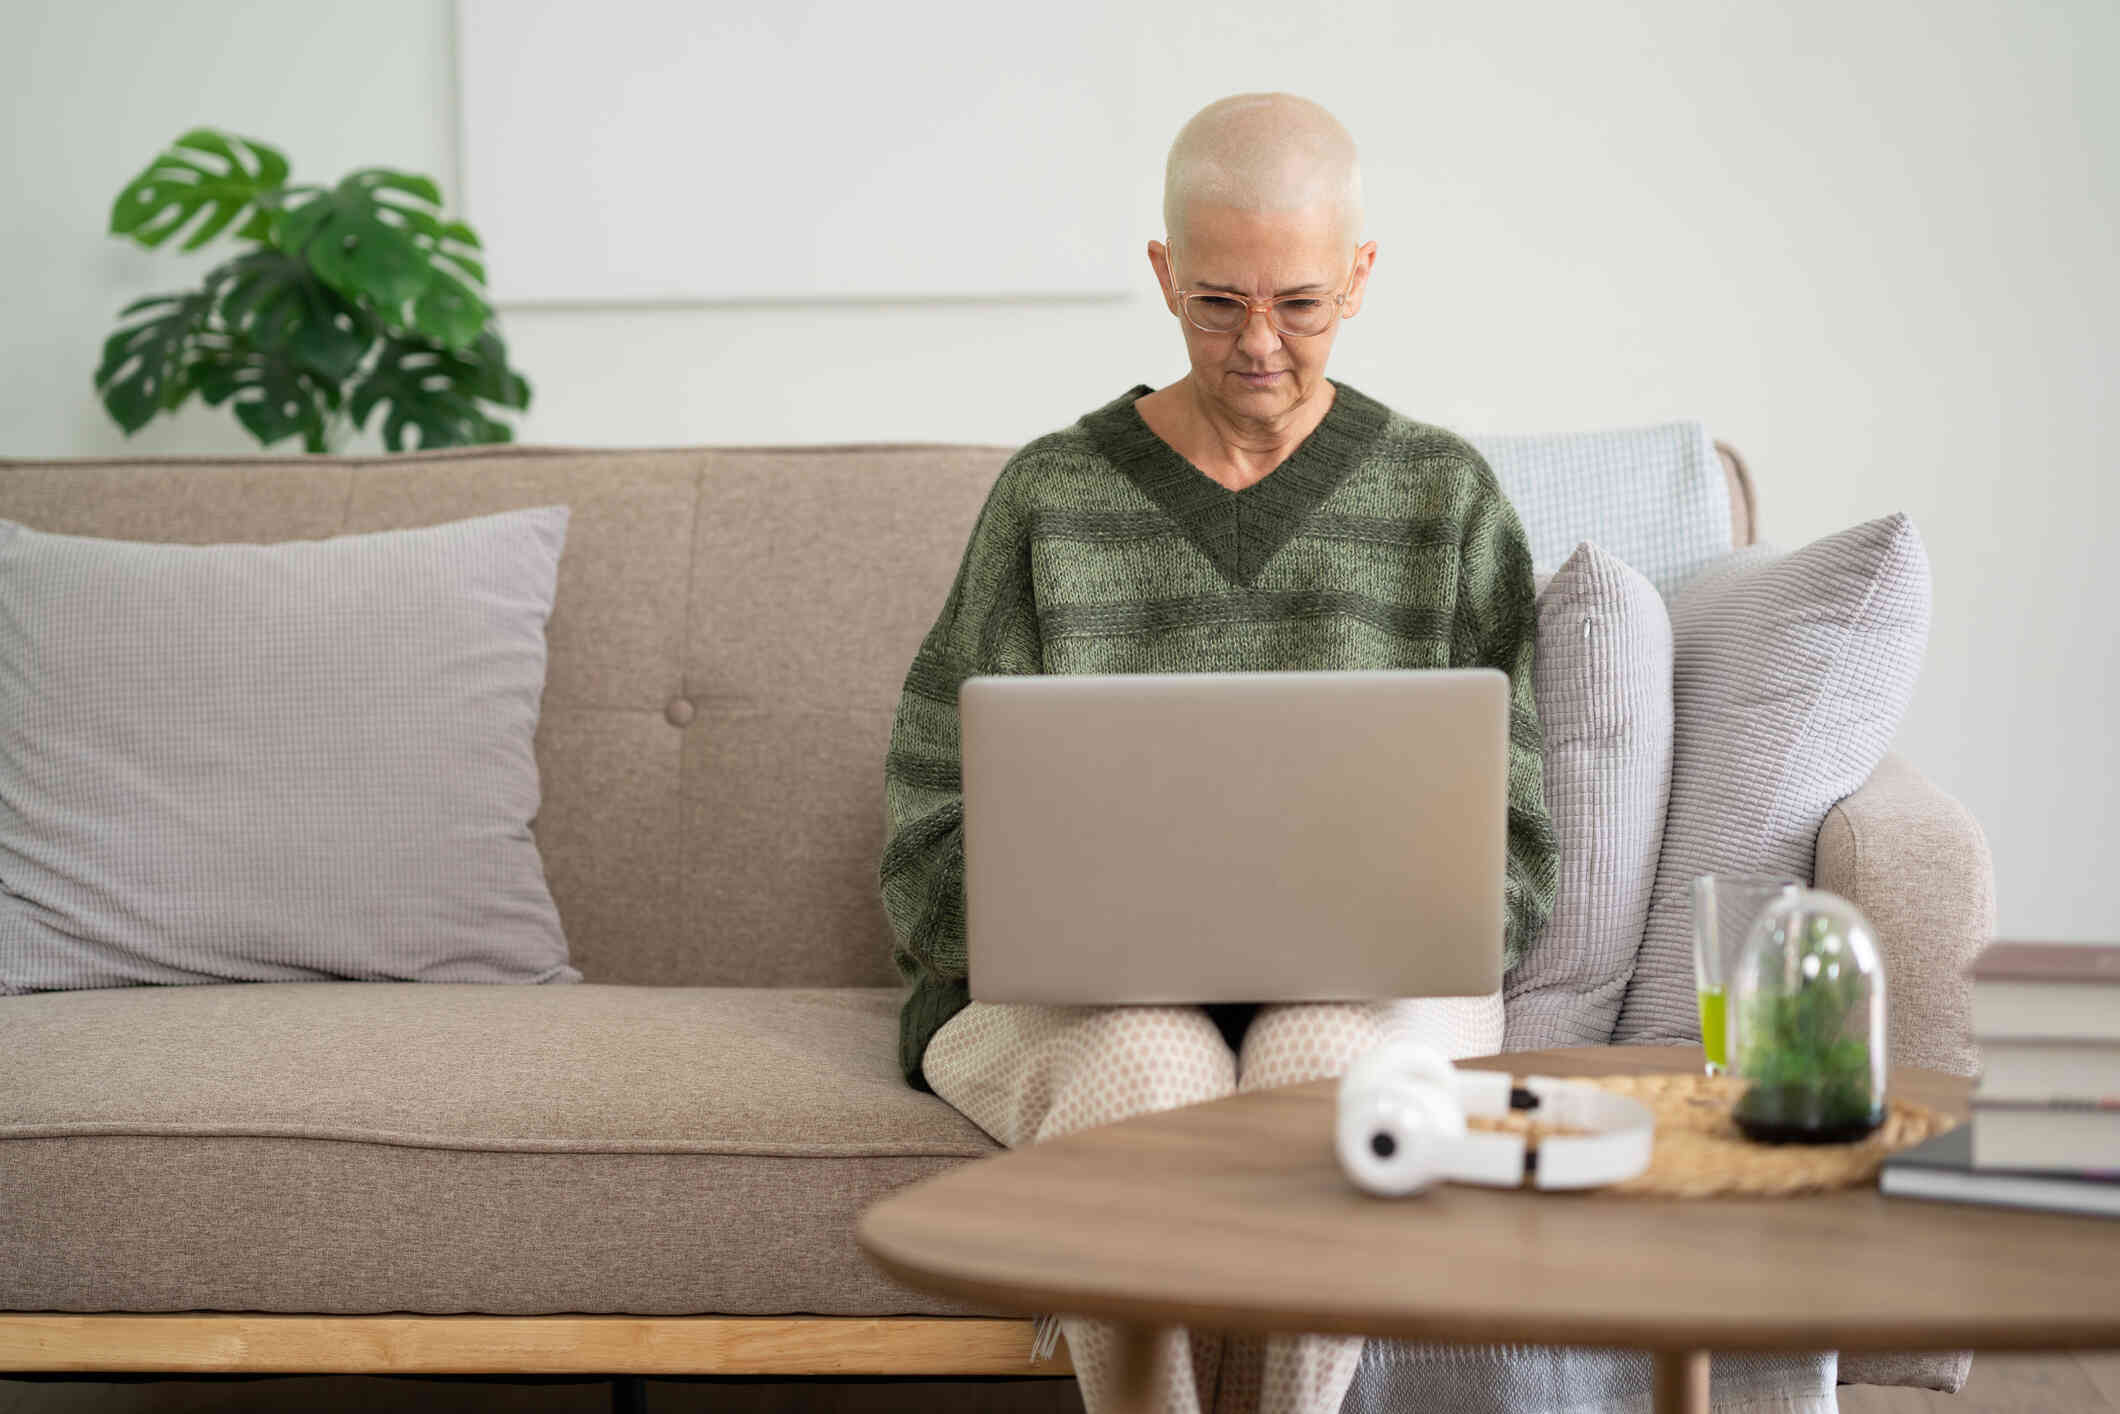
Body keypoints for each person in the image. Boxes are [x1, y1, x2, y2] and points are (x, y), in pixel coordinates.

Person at [876, 92, 1557, 1414]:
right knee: (1153, 1067)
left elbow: (1516, 850)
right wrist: (1033, 925)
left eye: (1299, 304)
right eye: (1215, 302)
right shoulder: (1050, 496)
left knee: (1325, 1076)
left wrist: (1427, 918)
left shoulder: (1447, 499)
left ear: (1360, 277)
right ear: (1161, 274)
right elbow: (924, 823)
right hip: (1087, 1005)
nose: (1257, 344)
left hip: (1368, 990)